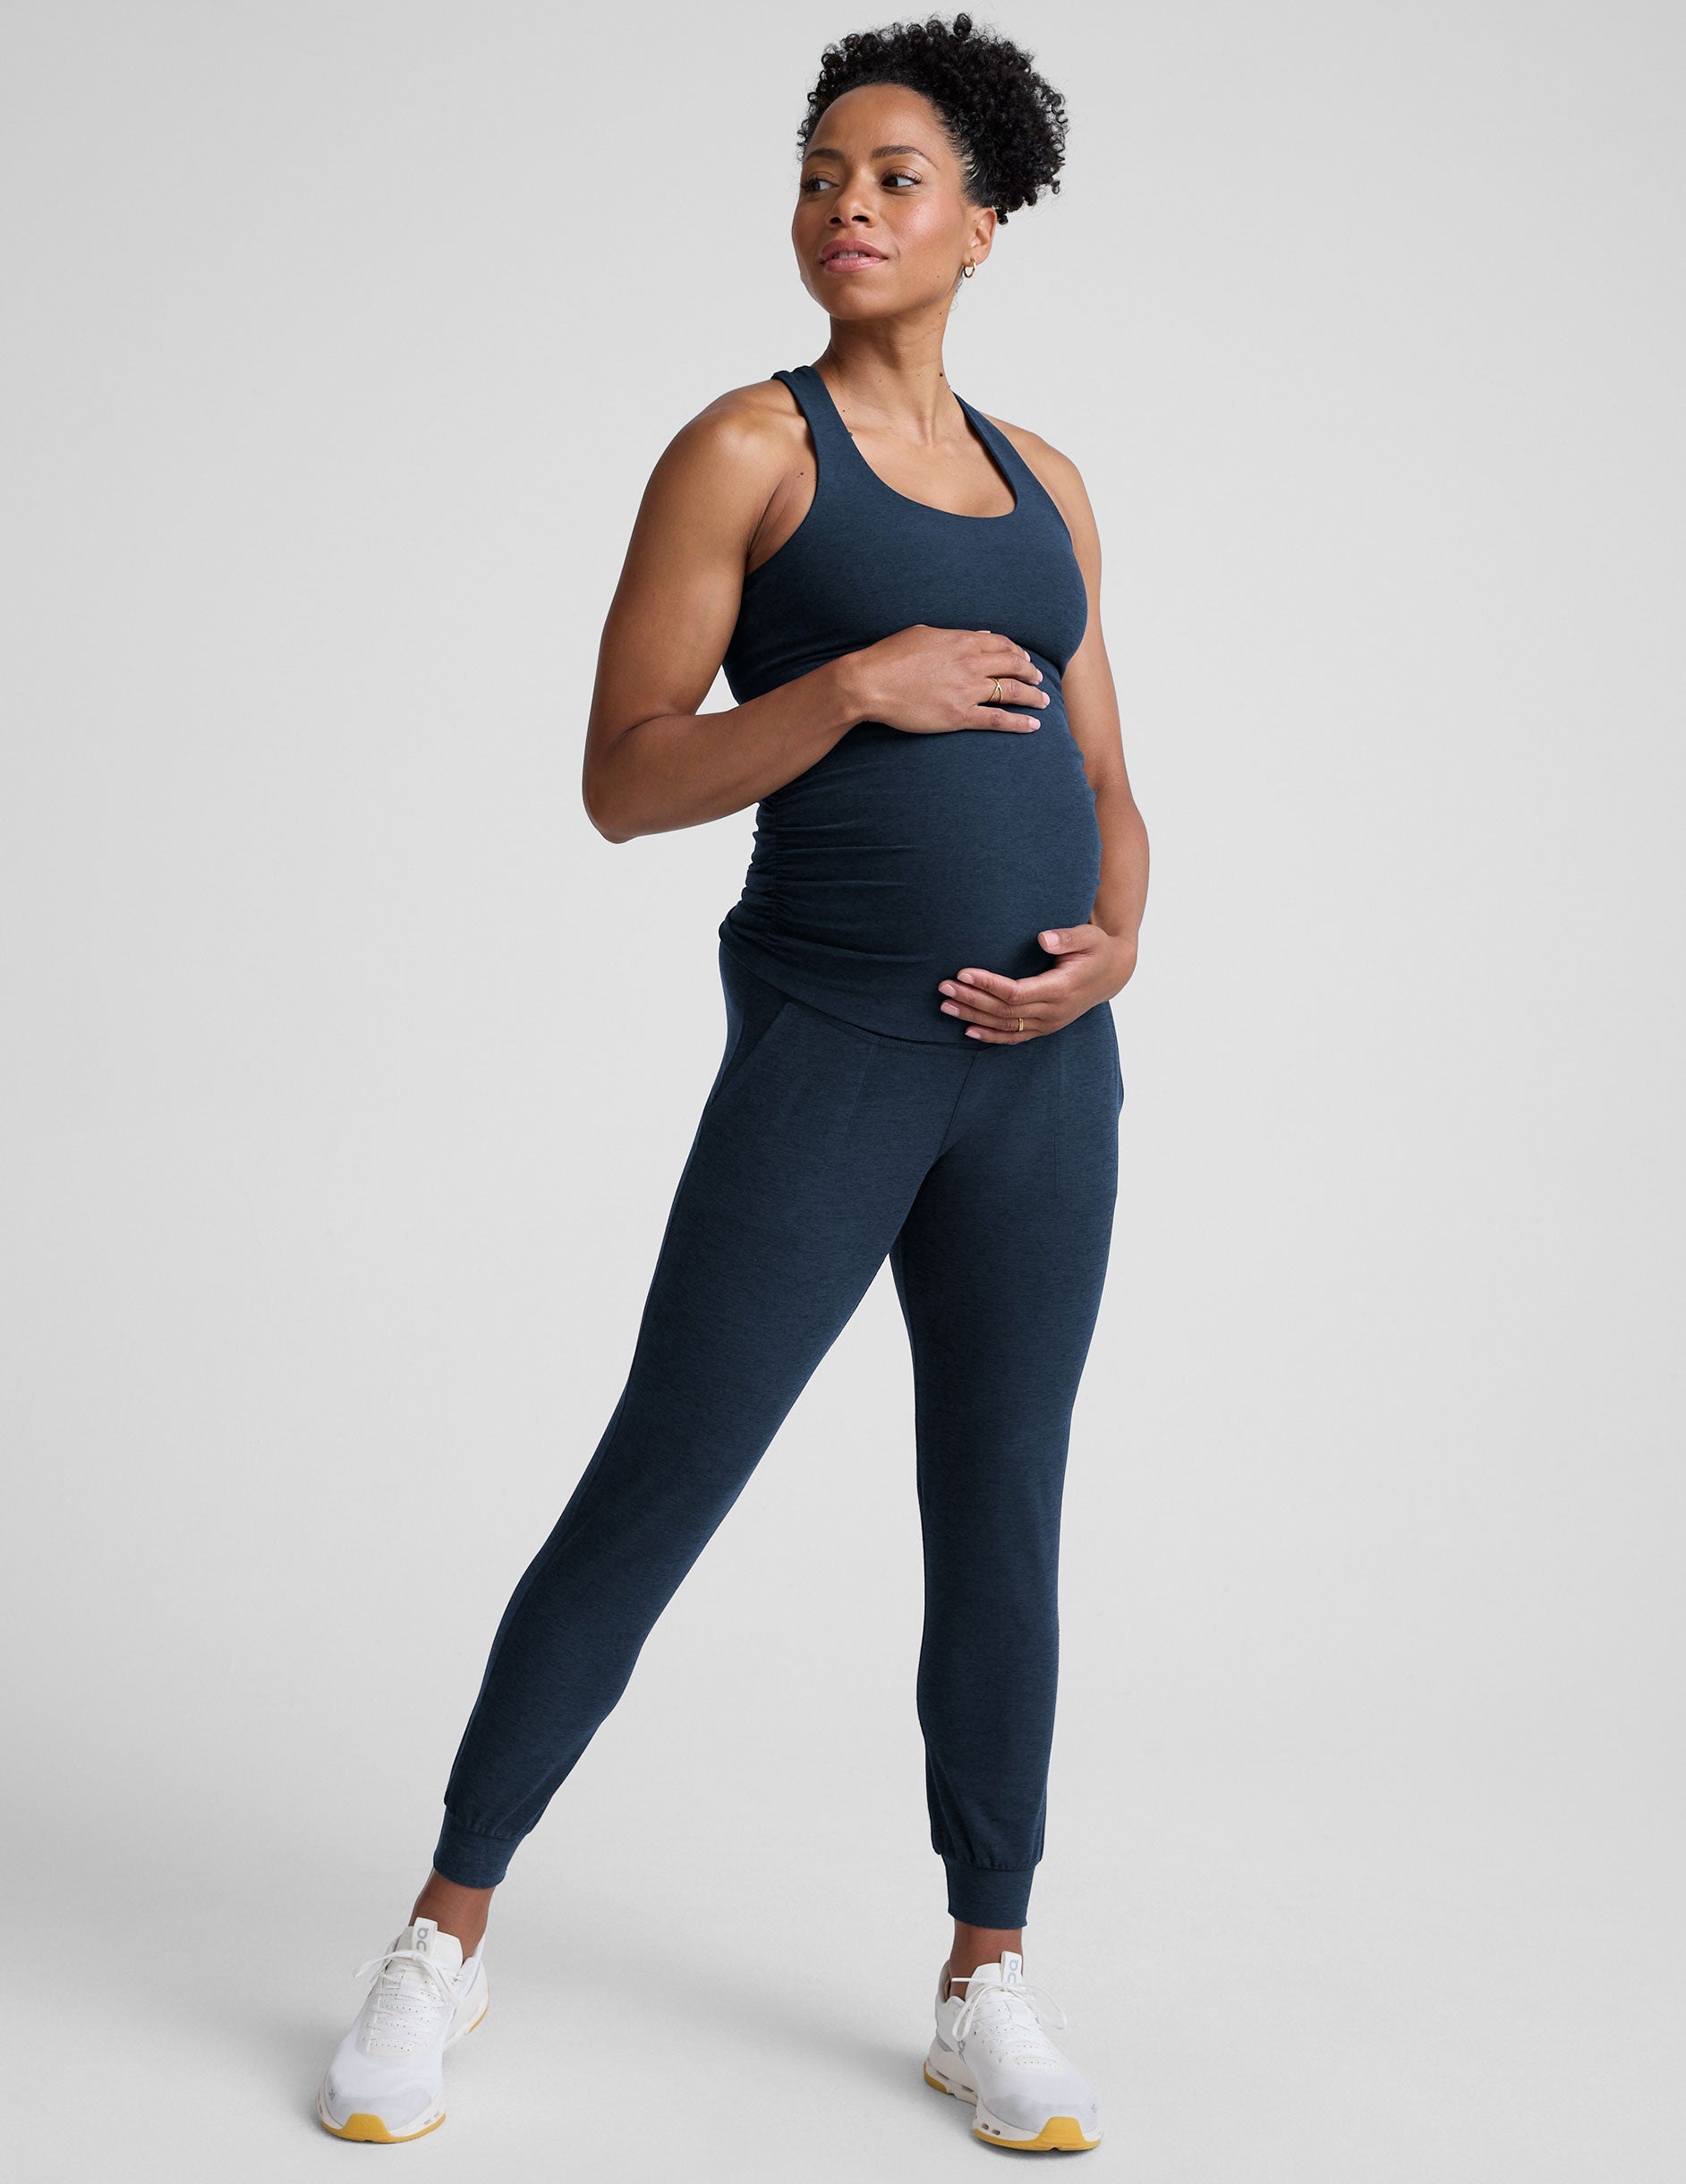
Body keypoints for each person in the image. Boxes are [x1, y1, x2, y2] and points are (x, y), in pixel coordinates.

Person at [315, 12, 1148, 2154]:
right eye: (821, 174)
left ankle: (990, 1968)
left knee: (1003, 1507)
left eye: (893, 179)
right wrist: (851, 681)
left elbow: (1112, 783)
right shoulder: (747, 452)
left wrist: (1117, 943)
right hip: (838, 1050)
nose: (846, 209)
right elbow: (623, 779)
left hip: (1045, 1082)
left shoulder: (1048, 482)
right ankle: (440, 1934)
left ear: (984, 222)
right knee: (663, 1473)